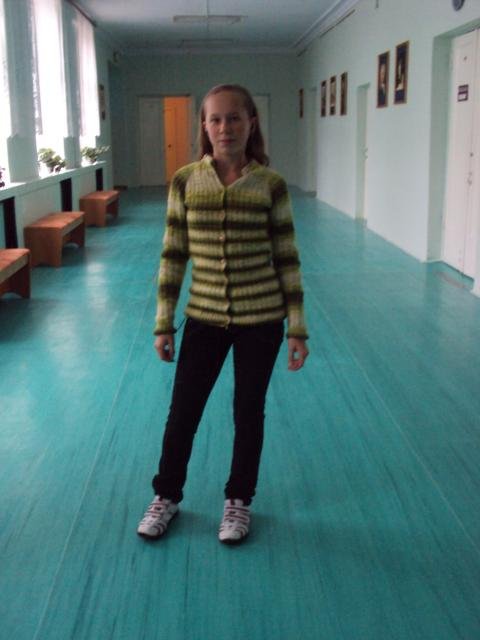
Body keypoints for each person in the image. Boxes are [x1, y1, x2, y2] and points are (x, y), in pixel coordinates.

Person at [137, 84, 309, 545]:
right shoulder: (185, 181)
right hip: (204, 317)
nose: (225, 127)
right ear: (204, 126)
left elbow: (287, 258)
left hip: (262, 319)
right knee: (183, 411)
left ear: (251, 122)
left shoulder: (270, 185)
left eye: (234, 118)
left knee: (248, 411)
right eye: (215, 118)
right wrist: (163, 322)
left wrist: (297, 328)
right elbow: (173, 255)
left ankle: (238, 500)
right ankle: (166, 495)